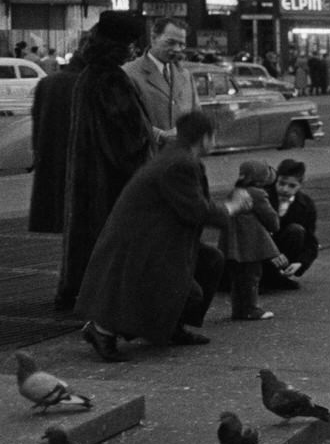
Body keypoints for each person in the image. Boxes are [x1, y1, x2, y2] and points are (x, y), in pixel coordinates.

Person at [76, 111, 247, 361]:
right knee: (187, 291)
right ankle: (101, 330)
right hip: (144, 243)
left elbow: (194, 205)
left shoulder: (179, 156)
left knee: (211, 262)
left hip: (155, 237)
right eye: (213, 136)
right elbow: (196, 210)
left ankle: (171, 327)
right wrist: (233, 207)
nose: (215, 141)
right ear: (203, 138)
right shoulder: (180, 163)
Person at [57, 13, 154, 313]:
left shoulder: (89, 74)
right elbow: (129, 138)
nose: (135, 51)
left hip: (89, 174)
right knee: (114, 239)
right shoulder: (112, 78)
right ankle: (105, 305)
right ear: (123, 45)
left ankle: (76, 292)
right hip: (112, 180)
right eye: (133, 44)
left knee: (86, 236)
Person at [27, 39, 86, 234]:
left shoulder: (47, 83)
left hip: (53, 163)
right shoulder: (94, 83)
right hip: (85, 169)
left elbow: (37, 124)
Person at [220, 160, 283, 322]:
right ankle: (250, 308)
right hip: (250, 243)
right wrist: (274, 225)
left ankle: (239, 309)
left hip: (233, 244)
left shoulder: (237, 191)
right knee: (252, 276)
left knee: (237, 278)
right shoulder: (257, 193)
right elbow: (269, 217)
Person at [123, 17, 199, 152]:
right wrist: (160, 136)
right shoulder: (129, 74)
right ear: (153, 38)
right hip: (146, 162)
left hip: (181, 160)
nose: (176, 49)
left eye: (181, 44)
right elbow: (124, 122)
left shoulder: (186, 76)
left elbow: (196, 116)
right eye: (170, 42)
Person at [261, 158, 320, 292]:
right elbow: (254, 232)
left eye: (291, 186)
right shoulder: (263, 196)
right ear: (276, 180)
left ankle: (277, 276)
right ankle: (264, 278)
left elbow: (310, 241)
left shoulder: (306, 204)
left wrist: (300, 263)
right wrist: (272, 253)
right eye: (281, 183)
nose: (285, 189)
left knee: (297, 230)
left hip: (283, 249)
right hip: (261, 248)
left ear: (300, 185)